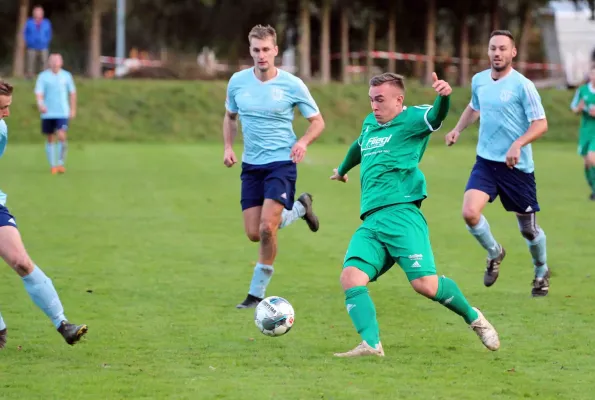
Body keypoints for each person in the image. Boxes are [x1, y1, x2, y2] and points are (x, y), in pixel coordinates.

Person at [330, 72, 499, 358]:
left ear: (399, 100)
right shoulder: (370, 123)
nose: (374, 106)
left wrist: (443, 97)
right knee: (351, 277)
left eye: (380, 100)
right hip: (371, 220)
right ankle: (372, 345)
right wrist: (343, 170)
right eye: (371, 100)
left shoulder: (412, 119)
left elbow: (435, 117)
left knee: (425, 285)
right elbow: (359, 146)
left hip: (402, 214)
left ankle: (474, 318)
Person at [223, 25, 325, 309]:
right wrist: (229, 147)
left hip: (281, 163)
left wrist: (303, 142)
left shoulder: (292, 84)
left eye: (266, 49)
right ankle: (301, 209)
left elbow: (317, 122)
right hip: (251, 165)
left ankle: (256, 294)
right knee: (254, 232)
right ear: (250, 51)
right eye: (256, 50)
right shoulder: (238, 82)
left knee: (268, 228)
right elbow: (230, 116)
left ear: (275, 50)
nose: (261, 55)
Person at [445, 30, 550, 297]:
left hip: (517, 168)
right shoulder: (479, 80)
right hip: (486, 163)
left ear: (513, 52)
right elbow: (474, 107)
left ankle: (541, 270)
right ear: (488, 51)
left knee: (528, 230)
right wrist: (458, 129)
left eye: (503, 48)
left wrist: (518, 143)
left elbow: (541, 124)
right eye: (493, 48)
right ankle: (495, 253)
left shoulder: (523, 85)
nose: (497, 53)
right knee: (469, 212)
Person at [0, 80, 87, 349]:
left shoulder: (0, 130)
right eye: (2, 108)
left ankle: (63, 324)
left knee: (22, 262)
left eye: (8, 107)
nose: (7, 114)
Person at [35, 53, 77, 174]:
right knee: (50, 137)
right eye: (52, 61)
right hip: (48, 113)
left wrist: (73, 109)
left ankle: (60, 163)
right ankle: (53, 165)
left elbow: (72, 93)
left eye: (57, 61)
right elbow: (39, 92)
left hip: (62, 112)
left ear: (61, 62)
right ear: (49, 63)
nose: (54, 63)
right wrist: (40, 104)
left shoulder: (66, 76)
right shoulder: (43, 76)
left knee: (61, 134)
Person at [570, 66, 595, 200]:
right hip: (586, 131)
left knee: (592, 157)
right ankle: (593, 189)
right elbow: (574, 108)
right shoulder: (582, 91)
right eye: (593, 74)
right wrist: (578, 109)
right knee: (587, 164)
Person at [24, 5, 53, 79]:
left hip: (43, 46)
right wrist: (29, 41)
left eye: (40, 12)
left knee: (44, 63)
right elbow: (25, 33)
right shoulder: (29, 22)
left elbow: (49, 33)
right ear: (34, 13)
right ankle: (29, 77)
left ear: (42, 13)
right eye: (36, 12)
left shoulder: (46, 22)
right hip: (31, 46)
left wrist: (46, 41)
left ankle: (44, 77)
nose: (38, 14)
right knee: (30, 63)